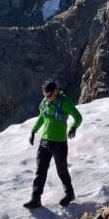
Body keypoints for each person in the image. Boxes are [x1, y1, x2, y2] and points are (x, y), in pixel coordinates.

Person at [24, 80, 83, 209]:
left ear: (56, 91)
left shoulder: (65, 102)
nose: (47, 97)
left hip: (59, 143)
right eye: (45, 95)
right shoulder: (45, 102)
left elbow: (78, 117)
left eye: (49, 95)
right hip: (44, 142)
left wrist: (73, 127)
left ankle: (69, 194)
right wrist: (33, 131)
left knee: (61, 170)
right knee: (40, 171)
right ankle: (35, 199)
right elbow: (41, 117)